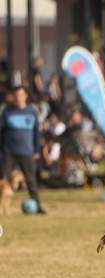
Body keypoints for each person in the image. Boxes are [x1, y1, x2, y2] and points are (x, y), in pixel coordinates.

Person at [0, 85, 45, 213]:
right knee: (2, 181)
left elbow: (36, 133)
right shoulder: (7, 111)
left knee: (31, 180)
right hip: (8, 152)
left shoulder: (32, 111)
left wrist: (36, 150)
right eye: (15, 95)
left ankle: (38, 207)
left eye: (20, 95)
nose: (18, 98)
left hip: (27, 152)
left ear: (25, 96)